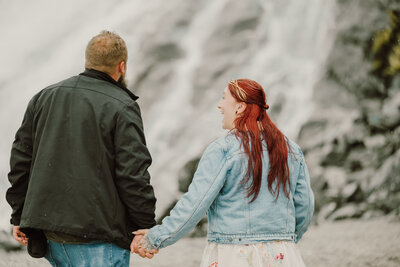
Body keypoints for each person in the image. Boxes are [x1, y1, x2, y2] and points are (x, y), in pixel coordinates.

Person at [6, 30, 157, 266]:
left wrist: (19, 214)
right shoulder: (122, 106)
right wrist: (145, 224)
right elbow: (132, 173)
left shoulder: (44, 97)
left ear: (87, 61)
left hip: (50, 233)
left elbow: (21, 161)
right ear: (122, 66)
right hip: (98, 235)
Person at [132, 79, 314, 266]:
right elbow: (305, 206)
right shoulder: (290, 149)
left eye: (223, 98)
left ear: (240, 108)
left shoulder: (223, 150)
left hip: (235, 255)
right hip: (283, 254)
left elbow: (195, 203)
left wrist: (155, 238)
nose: (219, 105)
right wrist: (285, 239)